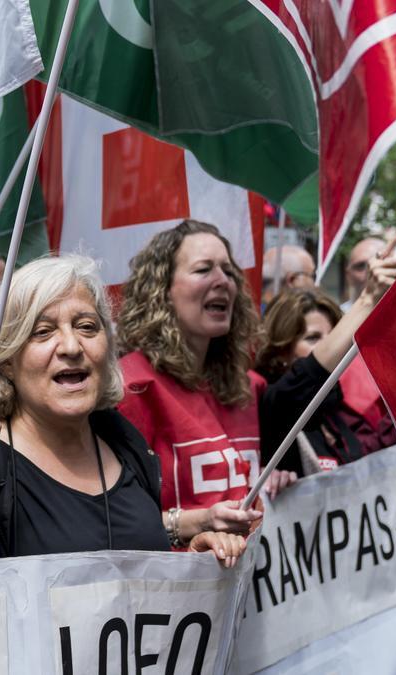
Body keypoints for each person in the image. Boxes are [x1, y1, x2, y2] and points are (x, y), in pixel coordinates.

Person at [0, 255, 249, 566]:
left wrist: (192, 557)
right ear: (6, 361)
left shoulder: (123, 441)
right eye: (42, 332)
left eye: (86, 327)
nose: (71, 346)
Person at [116, 221, 292, 546]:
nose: (223, 281)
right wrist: (198, 522)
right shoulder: (131, 388)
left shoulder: (248, 387)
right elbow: (111, 520)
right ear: (162, 291)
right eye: (203, 270)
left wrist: (275, 481)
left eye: (228, 270)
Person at [256, 279, 396, 476]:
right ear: (282, 351)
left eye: (334, 335)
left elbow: (373, 458)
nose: (332, 346)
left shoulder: (338, 409)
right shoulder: (273, 406)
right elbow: (308, 374)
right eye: (313, 338)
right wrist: (368, 299)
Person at [341, 236, 386, 312]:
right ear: (348, 276)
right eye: (361, 266)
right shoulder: (335, 320)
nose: (372, 271)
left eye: (379, 262)